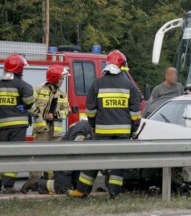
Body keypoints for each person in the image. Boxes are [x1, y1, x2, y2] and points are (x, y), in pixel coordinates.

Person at [68, 50, 141, 199]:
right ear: (122, 66)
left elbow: (90, 110)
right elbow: (135, 114)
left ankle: (82, 191)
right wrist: (133, 130)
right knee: (118, 165)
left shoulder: (97, 83)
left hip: (101, 132)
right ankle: (114, 193)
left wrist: (93, 126)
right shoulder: (130, 86)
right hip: (123, 134)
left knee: (94, 160)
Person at [0, 54, 35, 194]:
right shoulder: (22, 84)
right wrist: (25, 106)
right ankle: (8, 186)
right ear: (19, 69)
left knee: (1, 155)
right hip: (18, 126)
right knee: (14, 155)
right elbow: (29, 100)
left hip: (2, 127)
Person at [20, 64, 71, 194]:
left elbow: (67, 110)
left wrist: (54, 115)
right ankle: (33, 182)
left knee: (54, 156)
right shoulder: (39, 90)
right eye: (61, 78)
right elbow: (29, 106)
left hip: (55, 132)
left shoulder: (62, 94)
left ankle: (51, 182)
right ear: (54, 78)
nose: (62, 81)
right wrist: (41, 115)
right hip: (41, 130)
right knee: (38, 155)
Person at [37, 120, 93, 195]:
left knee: (83, 189)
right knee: (62, 189)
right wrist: (92, 140)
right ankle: (40, 184)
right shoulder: (82, 126)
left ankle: (67, 182)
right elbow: (77, 144)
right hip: (63, 164)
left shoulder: (89, 128)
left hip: (76, 165)